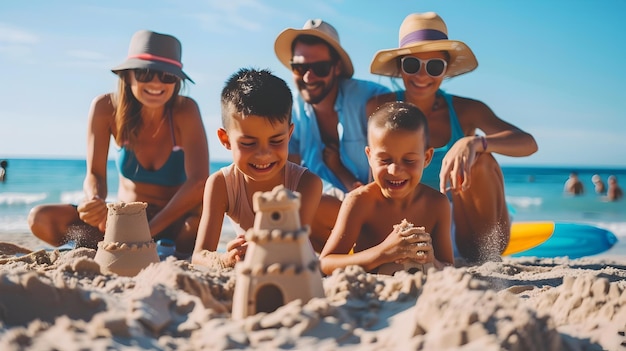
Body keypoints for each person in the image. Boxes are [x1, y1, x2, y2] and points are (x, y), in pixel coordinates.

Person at [368, 12, 538, 263]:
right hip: (409, 227)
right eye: (413, 64)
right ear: (399, 67)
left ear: (446, 70)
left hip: (470, 231)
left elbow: (528, 143)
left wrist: (474, 142)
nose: (423, 75)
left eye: (434, 66)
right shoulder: (381, 108)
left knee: (482, 159)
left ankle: (487, 258)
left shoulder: (466, 110)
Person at [28, 30, 209, 258]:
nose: (156, 82)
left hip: (173, 223)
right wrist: (94, 201)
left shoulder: (185, 110)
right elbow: (95, 174)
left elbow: (199, 182)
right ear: (128, 75)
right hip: (124, 220)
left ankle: (137, 246)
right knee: (41, 219)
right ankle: (108, 244)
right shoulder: (105, 108)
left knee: (198, 220)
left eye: (167, 76)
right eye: (145, 73)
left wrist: (145, 232)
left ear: (177, 81)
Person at [192, 68, 323, 269]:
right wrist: (226, 258)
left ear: (289, 135)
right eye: (248, 143)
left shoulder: (306, 184)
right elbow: (200, 255)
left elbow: (294, 249)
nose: (263, 154)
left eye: (276, 141)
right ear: (225, 139)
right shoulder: (222, 184)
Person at [274, 19, 391, 242]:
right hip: (326, 220)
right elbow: (286, 176)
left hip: (376, 216)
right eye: (299, 67)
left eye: (319, 68)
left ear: (336, 67)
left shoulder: (372, 100)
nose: (308, 77)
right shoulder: (293, 111)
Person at [319, 102, 453, 275]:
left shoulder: (437, 204)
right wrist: (383, 253)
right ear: (369, 156)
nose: (395, 170)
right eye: (385, 160)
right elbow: (325, 263)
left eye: (409, 160)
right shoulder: (359, 201)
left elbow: (449, 268)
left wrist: (432, 260)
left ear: (426, 157)